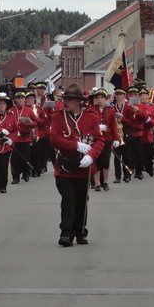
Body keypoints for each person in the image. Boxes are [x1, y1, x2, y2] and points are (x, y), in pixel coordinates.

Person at [48, 83, 105, 246]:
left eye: (69, 99)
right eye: (64, 99)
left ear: (79, 101)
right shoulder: (58, 117)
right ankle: (66, 233)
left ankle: (80, 230)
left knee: (81, 200)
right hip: (65, 166)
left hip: (84, 167)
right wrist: (75, 145)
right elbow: (54, 139)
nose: (65, 102)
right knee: (68, 200)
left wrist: (91, 156)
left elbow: (100, 140)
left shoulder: (91, 117)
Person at [89, 88, 119, 191]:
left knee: (106, 161)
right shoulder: (92, 110)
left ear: (105, 99)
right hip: (96, 139)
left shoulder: (110, 110)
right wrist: (97, 128)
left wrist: (116, 138)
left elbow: (113, 125)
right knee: (96, 161)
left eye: (102, 98)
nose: (100, 100)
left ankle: (105, 182)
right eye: (98, 98)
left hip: (107, 138)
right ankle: (97, 183)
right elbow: (88, 125)